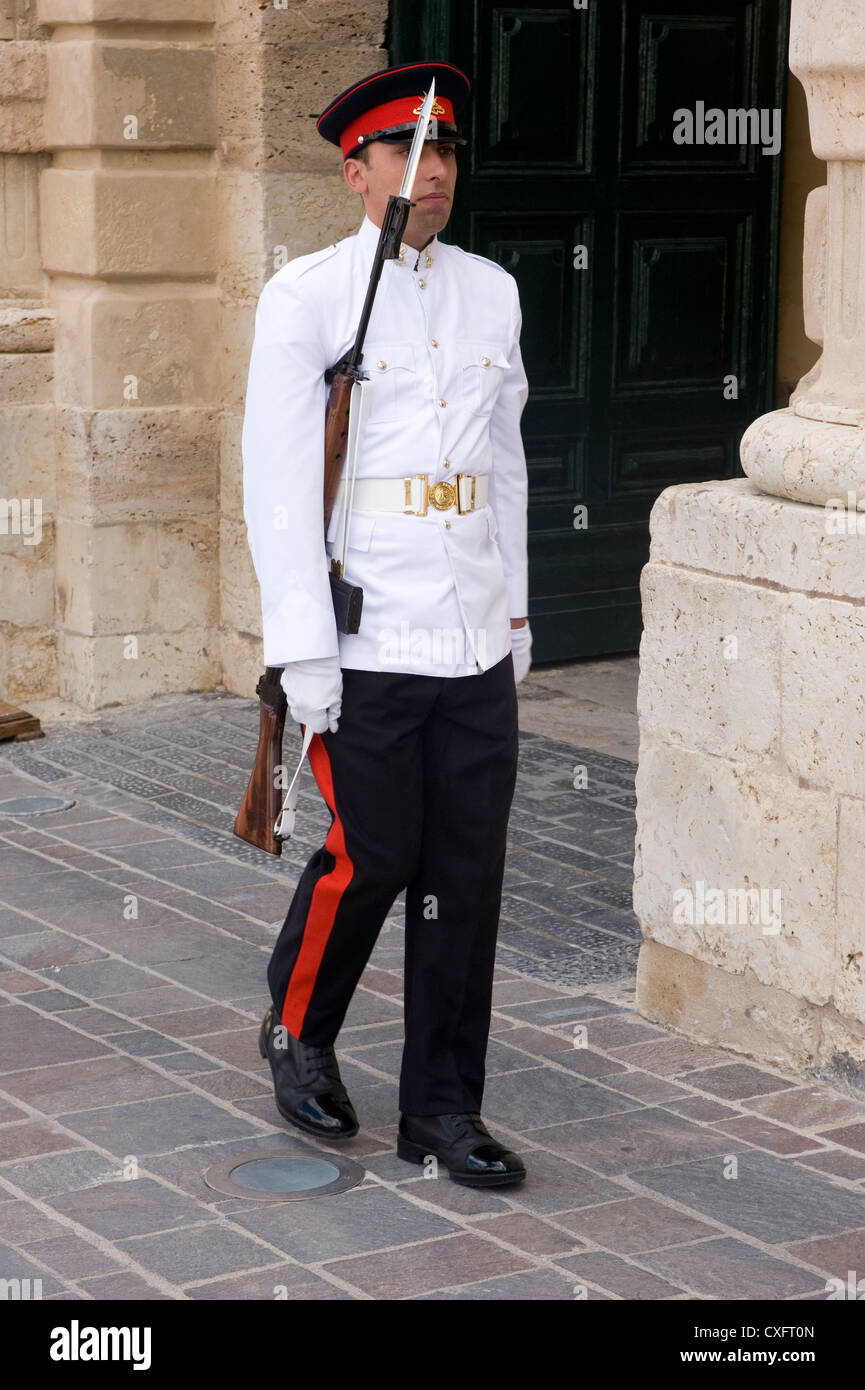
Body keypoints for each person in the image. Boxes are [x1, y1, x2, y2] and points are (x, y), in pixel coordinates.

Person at [241, 61, 532, 1188]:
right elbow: (278, 485)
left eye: (445, 153)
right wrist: (301, 652)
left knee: (465, 870)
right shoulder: (306, 299)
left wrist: (516, 617)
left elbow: (502, 462)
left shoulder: (493, 292)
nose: (432, 173)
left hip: (467, 627)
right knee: (372, 856)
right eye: (406, 155)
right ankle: (297, 1031)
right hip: (364, 634)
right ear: (355, 173)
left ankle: (444, 1111)